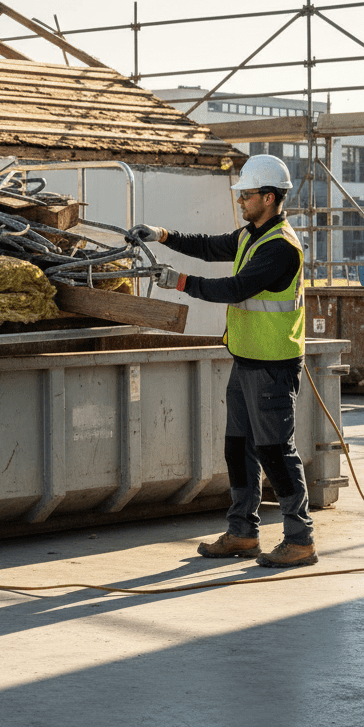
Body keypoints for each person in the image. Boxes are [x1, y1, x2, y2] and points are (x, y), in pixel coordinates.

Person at [129, 153, 317, 568]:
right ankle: (242, 532)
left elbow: (234, 289)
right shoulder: (252, 235)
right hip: (247, 359)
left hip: (273, 365)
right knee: (238, 447)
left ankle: (300, 538)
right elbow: (210, 246)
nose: (240, 200)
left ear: (268, 198)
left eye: (246, 195)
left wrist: (179, 282)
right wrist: (162, 234)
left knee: (275, 452)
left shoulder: (280, 248)